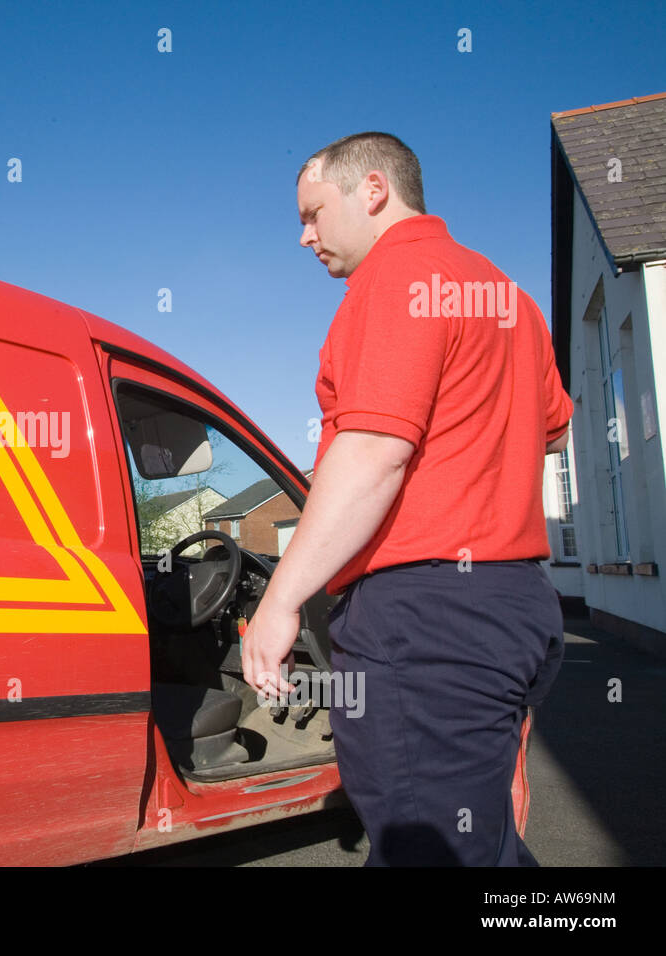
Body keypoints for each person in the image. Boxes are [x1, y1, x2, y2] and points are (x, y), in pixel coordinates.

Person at [240, 131, 572, 865]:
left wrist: (279, 601)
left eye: (313, 213)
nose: (304, 236)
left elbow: (373, 455)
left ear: (373, 190)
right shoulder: (506, 296)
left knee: (436, 852)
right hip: (515, 609)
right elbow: (550, 432)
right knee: (480, 842)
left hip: (426, 625)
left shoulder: (396, 279)